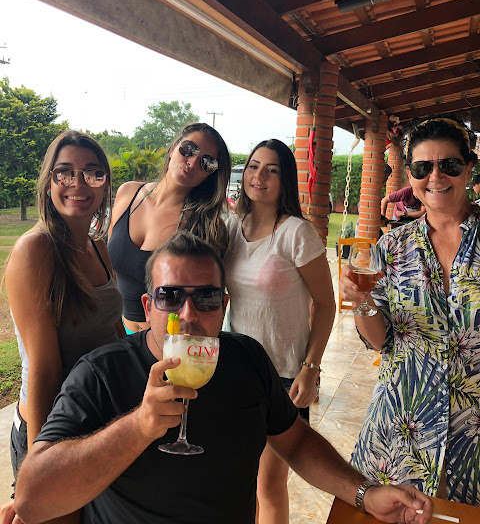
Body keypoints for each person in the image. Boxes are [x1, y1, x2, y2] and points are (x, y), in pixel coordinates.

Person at [14, 232, 434, 524]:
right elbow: (33, 499)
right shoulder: (101, 373)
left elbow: (296, 442)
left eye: (207, 297)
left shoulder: (246, 359)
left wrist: (364, 493)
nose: (189, 314)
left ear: (225, 305)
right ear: (147, 305)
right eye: (170, 296)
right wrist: (138, 427)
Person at [339, 115, 480, 505]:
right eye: (422, 168)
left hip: (473, 430)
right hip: (401, 425)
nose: (436, 177)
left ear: (468, 168)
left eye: (449, 164)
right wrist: (362, 302)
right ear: (411, 176)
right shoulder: (392, 247)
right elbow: (379, 340)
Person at [1, 130, 123, 523]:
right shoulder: (35, 250)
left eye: (92, 173)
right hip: (54, 425)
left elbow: (114, 333)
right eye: (65, 172)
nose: (78, 184)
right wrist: (41, 465)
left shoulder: (98, 247)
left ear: (105, 183)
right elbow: (44, 367)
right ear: (49, 181)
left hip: (100, 420)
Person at [224, 139, 335, 524]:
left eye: (272, 170)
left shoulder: (296, 233)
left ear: (285, 179)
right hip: (238, 372)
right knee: (242, 481)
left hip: (285, 378)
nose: (260, 176)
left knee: (269, 485)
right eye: (254, 166)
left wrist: (310, 368)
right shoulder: (232, 227)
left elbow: (326, 304)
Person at [108, 122, 230, 334]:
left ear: (211, 173)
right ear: (174, 148)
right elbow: (111, 270)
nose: (193, 162)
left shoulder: (205, 226)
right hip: (120, 332)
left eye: (207, 162)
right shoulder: (128, 194)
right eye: (189, 149)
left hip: (169, 341)